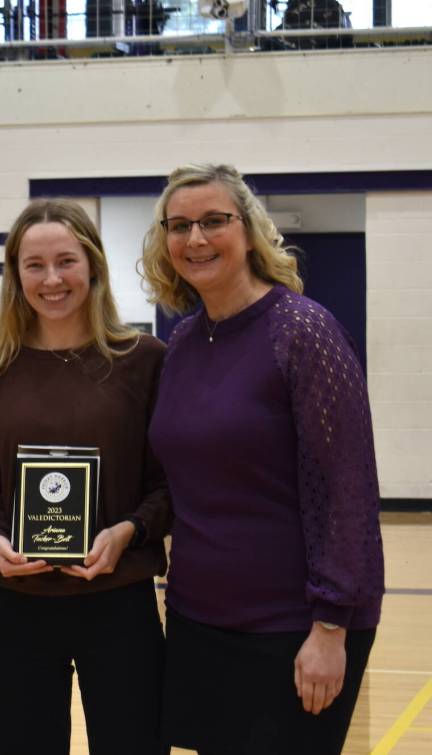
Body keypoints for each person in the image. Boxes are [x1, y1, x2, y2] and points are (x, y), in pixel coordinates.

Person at [140, 163, 384, 754]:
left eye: (214, 221)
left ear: (249, 231)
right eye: (179, 226)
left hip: (293, 623)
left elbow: (347, 491)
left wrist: (330, 628)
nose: (195, 239)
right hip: (200, 616)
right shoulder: (185, 343)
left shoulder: (304, 332)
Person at [0, 198, 170, 755]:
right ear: (15, 274)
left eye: (66, 261)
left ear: (93, 265)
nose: (52, 279)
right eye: (35, 265)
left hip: (120, 601)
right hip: (18, 604)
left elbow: (167, 485)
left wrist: (128, 531)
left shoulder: (145, 360)